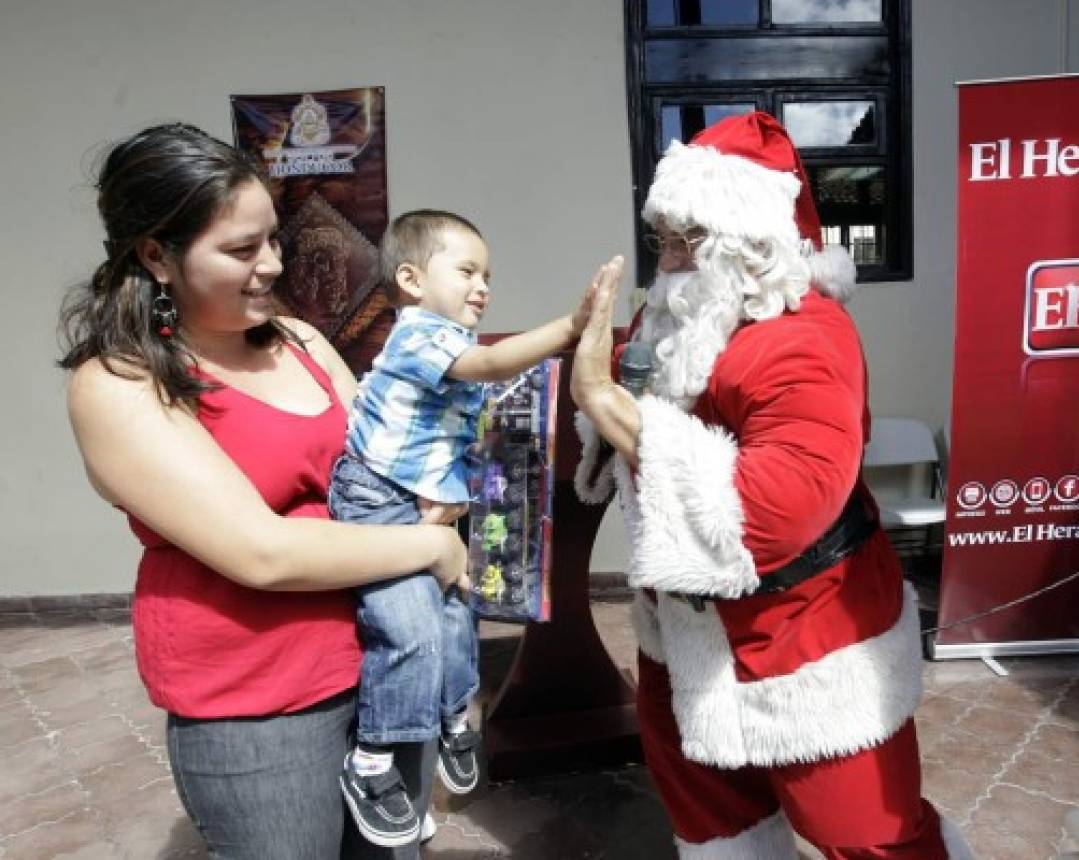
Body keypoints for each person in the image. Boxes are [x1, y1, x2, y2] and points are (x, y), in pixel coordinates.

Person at [59, 123, 470, 860]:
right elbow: (261, 552)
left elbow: (376, 467)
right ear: (156, 254)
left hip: (383, 665)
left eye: (272, 240)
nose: (271, 265)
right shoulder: (120, 384)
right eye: (241, 250)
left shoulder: (301, 342)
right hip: (259, 702)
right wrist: (433, 541)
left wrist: (439, 489)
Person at [570, 112, 973, 858]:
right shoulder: (677, 325)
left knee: (865, 836)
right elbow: (618, 401)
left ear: (748, 245)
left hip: (808, 643)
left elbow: (774, 509)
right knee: (717, 825)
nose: (669, 258)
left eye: (689, 240)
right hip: (685, 640)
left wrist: (608, 406)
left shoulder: (805, 340)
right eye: (664, 235)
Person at [330, 208, 617, 847]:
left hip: (421, 502)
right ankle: (372, 759)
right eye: (466, 271)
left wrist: (453, 496)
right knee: (408, 629)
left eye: (487, 274)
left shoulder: (445, 344)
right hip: (376, 503)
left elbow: (463, 425)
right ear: (410, 279)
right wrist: (570, 327)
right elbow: (491, 367)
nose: (483, 286)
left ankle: (454, 716)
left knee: (460, 612)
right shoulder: (419, 335)